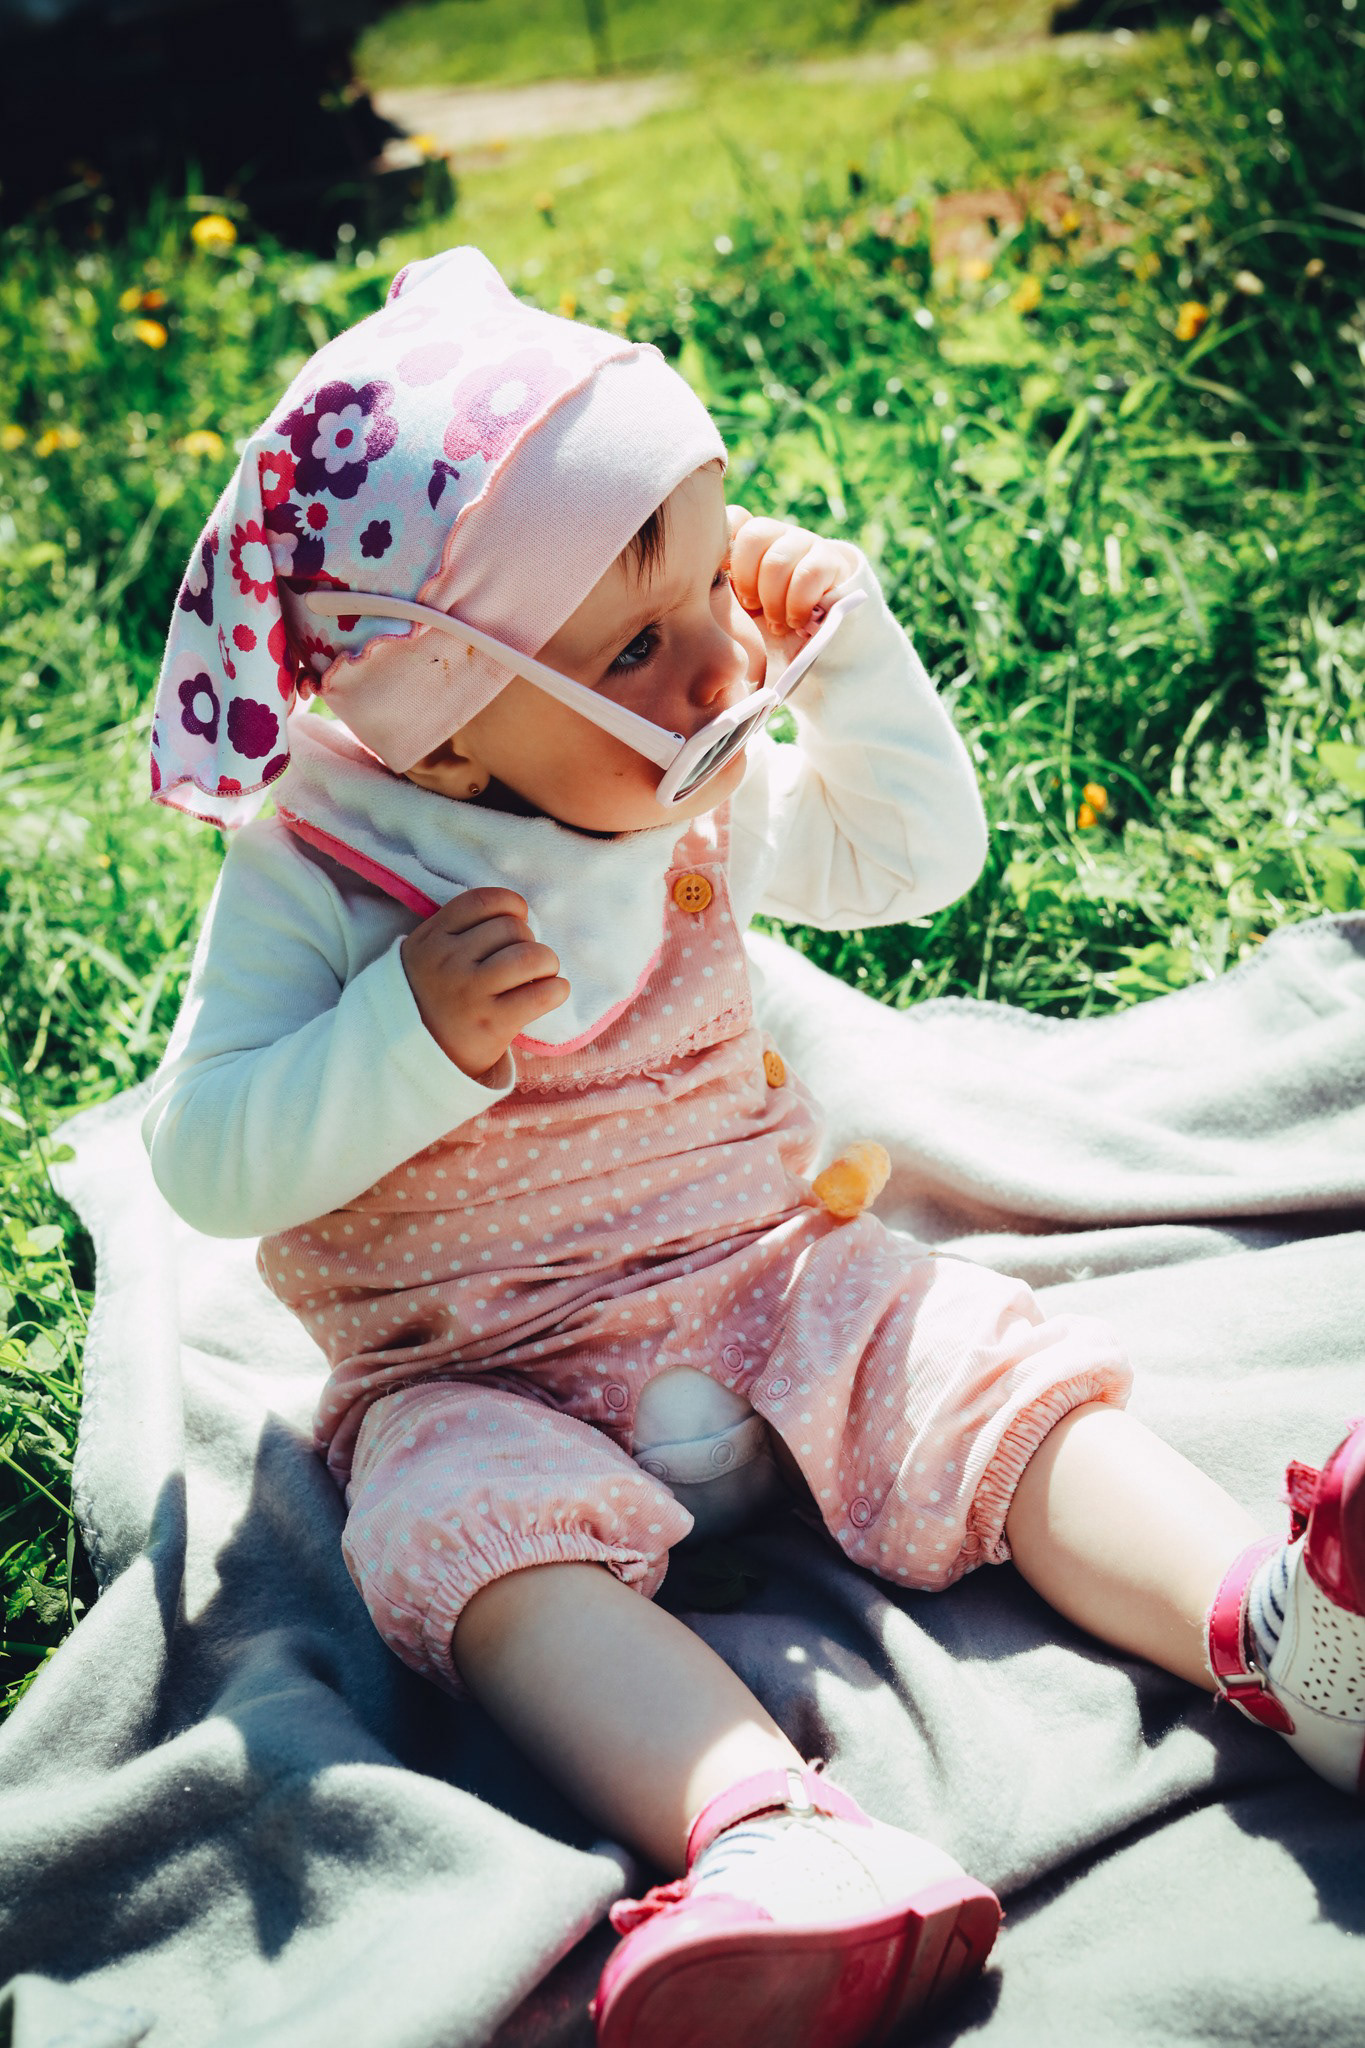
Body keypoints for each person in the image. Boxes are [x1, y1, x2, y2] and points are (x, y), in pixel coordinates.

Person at [140, 244, 1364, 2048]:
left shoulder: (683, 796)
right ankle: (768, 1836)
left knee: (984, 1367)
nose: (720, 656)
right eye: (636, 643)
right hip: (483, 1370)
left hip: (765, 1281)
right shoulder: (326, 872)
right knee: (463, 1539)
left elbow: (907, 862)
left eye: (714, 578)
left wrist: (850, 661)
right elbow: (204, 1159)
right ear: (441, 726)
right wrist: (399, 1041)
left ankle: (1278, 1640)